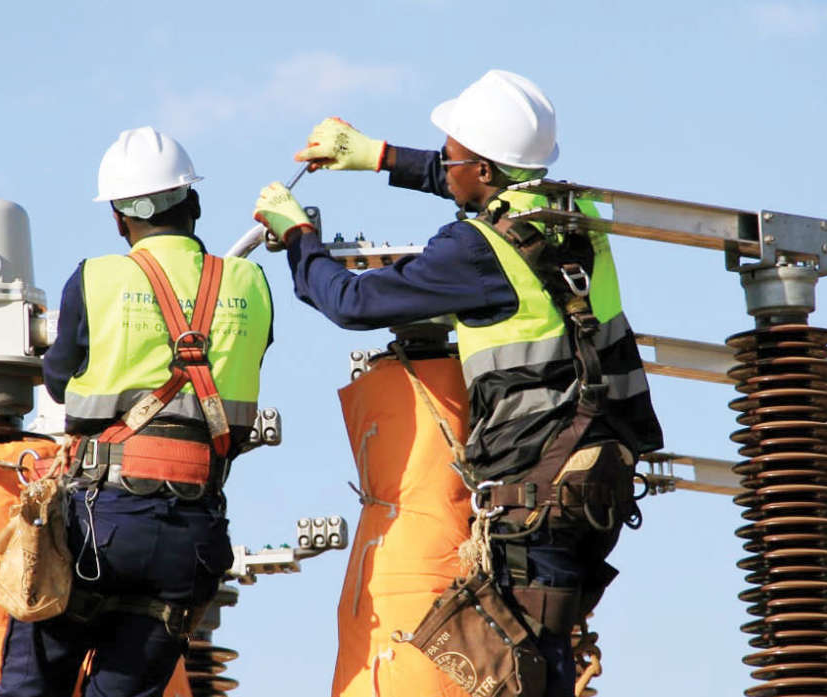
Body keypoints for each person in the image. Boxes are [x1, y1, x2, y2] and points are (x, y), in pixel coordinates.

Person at [252, 70, 662, 697]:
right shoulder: (576, 216)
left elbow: (352, 303)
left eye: (453, 153)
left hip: (537, 491)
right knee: (540, 650)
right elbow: (484, 188)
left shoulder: (474, 251)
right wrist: (378, 157)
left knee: (526, 664)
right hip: (596, 477)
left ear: (487, 169)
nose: (443, 161)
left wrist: (298, 239)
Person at [0, 127, 274, 697]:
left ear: (119, 219)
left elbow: (58, 381)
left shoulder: (96, 278)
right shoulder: (250, 282)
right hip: (190, 538)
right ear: (194, 202)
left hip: (101, 524)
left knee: (30, 687)